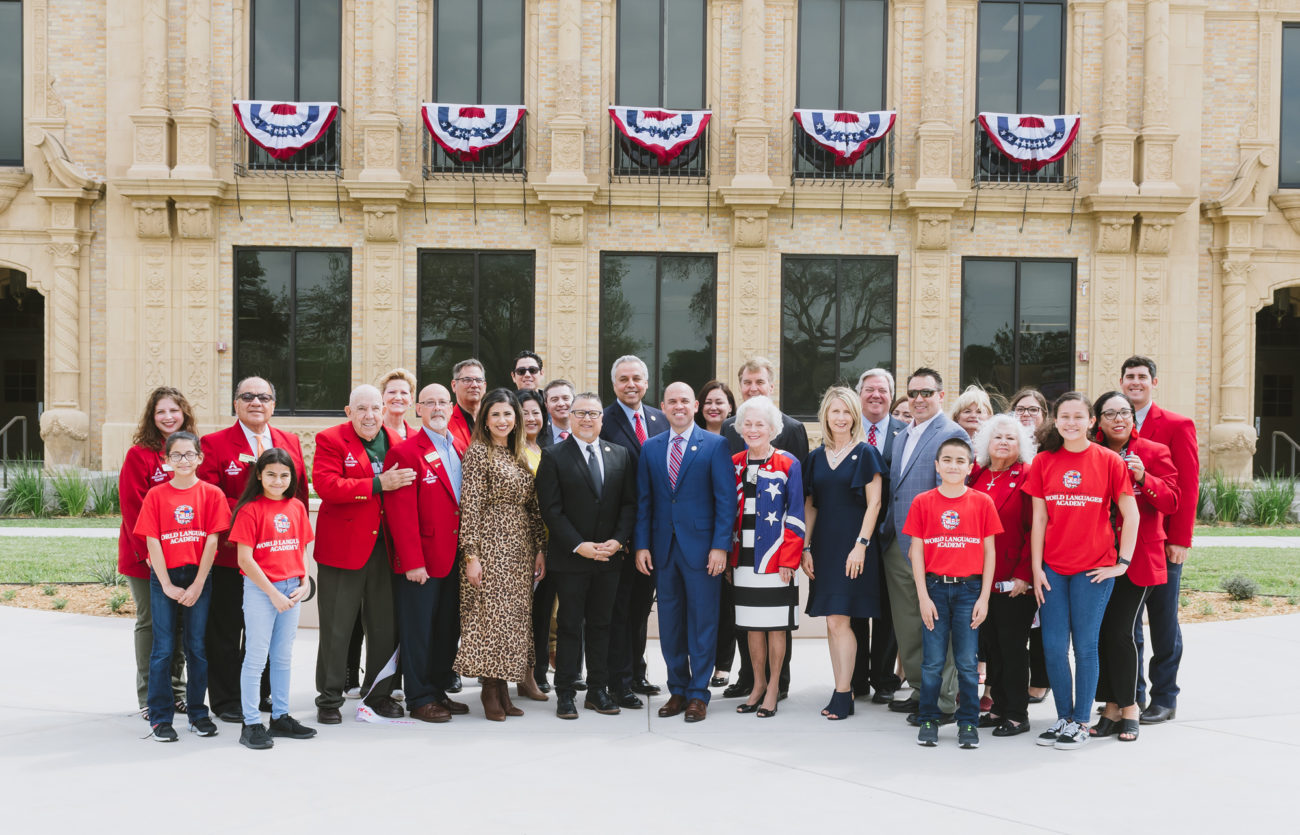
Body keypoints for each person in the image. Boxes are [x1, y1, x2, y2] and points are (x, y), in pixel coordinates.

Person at [1026, 392, 1139, 750]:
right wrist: (1036, 569)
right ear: (1055, 421)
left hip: (1094, 569)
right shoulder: (1044, 462)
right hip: (1053, 570)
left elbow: (1130, 514)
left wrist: (1122, 564)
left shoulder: (1108, 461)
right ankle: (1063, 717)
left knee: (1086, 646)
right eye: (1064, 416)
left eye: (1079, 416)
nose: (1071, 423)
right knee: (1053, 646)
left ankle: (1080, 721)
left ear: (1091, 421)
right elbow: (1039, 519)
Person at [198, 377, 308, 724]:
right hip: (234, 556)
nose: (256, 402)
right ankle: (228, 700)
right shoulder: (215, 444)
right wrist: (255, 510)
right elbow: (209, 497)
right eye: (248, 396)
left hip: (279, 559)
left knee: (268, 637)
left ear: (274, 404)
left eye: (264, 397)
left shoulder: (289, 441)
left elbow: (298, 494)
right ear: (236, 404)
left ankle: (260, 696)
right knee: (228, 630)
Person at [312, 385, 413, 724]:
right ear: (348, 411)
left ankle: (379, 693)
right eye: (362, 409)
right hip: (344, 549)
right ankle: (328, 698)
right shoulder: (330, 439)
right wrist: (376, 484)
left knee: (385, 627)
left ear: (384, 410)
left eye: (375, 408)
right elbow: (326, 485)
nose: (369, 416)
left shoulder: (399, 443)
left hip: (386, 549)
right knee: (337, 627)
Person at [635, 382, 735, 722]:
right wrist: (642, 545)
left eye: (684, 401)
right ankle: (677, 689)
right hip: (663, 550)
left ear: (694, 406)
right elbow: (645, 501)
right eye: (672, 401)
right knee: (671, 623)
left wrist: (721, 546)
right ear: (663, 406)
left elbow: (726, 501)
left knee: (703, 622)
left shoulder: (715, 445)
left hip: (703, 550)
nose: (678, 406)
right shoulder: (650, 447)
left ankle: (698, 693)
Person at [536, 392, 639, 720]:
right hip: (571, 559)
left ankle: (597, 689)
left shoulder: (620, 454)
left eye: (593, 414)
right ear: (571, 416)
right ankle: (565, 693)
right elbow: (550, 509)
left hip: (609, 557)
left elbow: (628, 504)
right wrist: (578, 545)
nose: (586, 419)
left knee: (601, 624)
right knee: (568, 626)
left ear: (601, 419)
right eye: (580, 413)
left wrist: (618, 540)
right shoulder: (553, 456)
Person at [882, 367, 969, 723]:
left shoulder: (952, 433)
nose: (919, 400)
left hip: (931, 547)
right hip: (897, 544)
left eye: (926, 393)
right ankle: (920, 691)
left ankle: (944, 702)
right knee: (908, 624)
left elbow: (951, 495)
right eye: (913, 393)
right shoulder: (902, 435)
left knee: (938, 626)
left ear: (941, 395)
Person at [455, 388, 547, 721]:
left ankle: (505, 690)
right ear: (485, 419)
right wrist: (472, 555)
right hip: (490, 544)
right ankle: (489, 690)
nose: (502, 420)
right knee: (490, 619)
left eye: (508, 414)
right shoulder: (479, 452)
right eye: (495, 414)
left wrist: (540, 548)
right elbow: (471, 506)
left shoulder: (520, 452)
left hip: (520, 549)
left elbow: (534, 507)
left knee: (513, 621)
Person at [1091, 391, 1178, 742]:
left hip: (1137, 560)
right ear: (1097, 419)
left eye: (1124, 412)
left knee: (1120, 631)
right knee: (1099, 633)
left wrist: (1144, 478)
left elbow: (1172, 501)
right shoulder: (1090, 453)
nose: (1118, 419)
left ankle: (1128, 707)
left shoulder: (1154, 452)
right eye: (1109, 413)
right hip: (1095, 558)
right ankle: (1111, 706)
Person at [133, 431, 230, 742]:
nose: (184, 460)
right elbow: (153, 541)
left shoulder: (212, 494)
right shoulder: (157, 495)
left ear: (200, 458)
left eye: (190, 454)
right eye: (177, 455)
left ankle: (197, 713)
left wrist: (198, 583)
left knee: (196, 648)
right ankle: (160, 718)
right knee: (162, 649)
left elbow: (212, 540)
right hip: (165, 576)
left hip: (198, 575)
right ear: (166, 461)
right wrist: (166, 585)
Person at [721, 356, 808, 702]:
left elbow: (797, 513)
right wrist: (728, 559)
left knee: (776, 626)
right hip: (742, 562)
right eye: (748, 424)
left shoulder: (789, 463)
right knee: (751, 625)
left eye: (761, 424)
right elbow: (727, 514)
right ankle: (757, 684)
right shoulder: (733, 464)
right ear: (740, 428)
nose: (754, 429)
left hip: (776, 561)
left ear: (773, 428)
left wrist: (790, 558)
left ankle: (775, 686)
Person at [905, 437, 1000, 749]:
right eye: (947, 459)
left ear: (970, 466)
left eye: (961, 460)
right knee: (932, 662)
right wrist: (922, 597)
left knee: (967, 662)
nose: (953, 466)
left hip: (969, 590)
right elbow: (916, 552)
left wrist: (984, 597)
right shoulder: (923, 502)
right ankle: (929, 717)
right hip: (934, 588)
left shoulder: (982, 502)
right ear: (937, 465)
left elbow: (990, 553)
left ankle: (968, 722)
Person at [384, 383, 468, 724]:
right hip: (423, 561)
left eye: (442, 403)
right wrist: (412, 561)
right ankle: (419, 697)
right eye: (429, 403)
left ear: (452, 408)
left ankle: (437, 689)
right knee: (418, 630)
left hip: (455, 557)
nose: (437, 408)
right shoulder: (405, 452)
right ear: (418, 409)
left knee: (446, 629)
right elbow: (400, 515)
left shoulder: (460, 446)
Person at [1121, 356, 1198, 725]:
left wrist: (1181, 538)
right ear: (1121, 382)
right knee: (1126, 624)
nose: (1136, 382)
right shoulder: (1108, 426)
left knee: (1163, 621)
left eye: (1142, 377)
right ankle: (1130, 696)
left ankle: (1165, 697)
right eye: (1129, 377)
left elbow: (1187, 485)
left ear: (1154, 381)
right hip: (1118, 545)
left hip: (1162, 540)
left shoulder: (1177, 425)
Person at [802, 387, 884, 720]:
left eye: (846, 412)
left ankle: (842, 692)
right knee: (832, 621)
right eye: (834, 411)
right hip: (824, 546)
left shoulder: (866, 453)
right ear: (825, 415)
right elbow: (810, 506)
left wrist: (861, 545)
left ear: (855, 416)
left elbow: (875, 503)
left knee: (840, 619)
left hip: (854, 548)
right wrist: (805, 547)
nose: (840, 418)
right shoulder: (815, 457)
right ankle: (843, 686)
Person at [229, 448, 317, 750]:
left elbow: (300, 548)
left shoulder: (296, 507)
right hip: (262, 590)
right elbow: (244, 559)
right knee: (255, 658)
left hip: (291, 589)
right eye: (271, 474)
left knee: (282, 657)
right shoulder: (250, 510)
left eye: (284, 475)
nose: (278, 480)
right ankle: (251, 722)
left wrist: (304, 580)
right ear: (259, 475)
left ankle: (280, 717)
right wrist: (272, 593)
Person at [341, 367, 418, 700]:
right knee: (356, 613)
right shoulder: (366, 433)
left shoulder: (415, 438)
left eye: (404, 393)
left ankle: (391, 678)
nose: (398, 398)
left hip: (395, 536)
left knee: (392, 613)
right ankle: (347, 674)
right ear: (380, 400)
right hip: (361, 533)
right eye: (391, 393)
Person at [119, 386, 195, 719]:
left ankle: (175, 691)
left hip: (183, 555)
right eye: (160, 412)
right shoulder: (140, 455)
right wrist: (151, 555)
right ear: (152, 417)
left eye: (173, 411)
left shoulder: (190, 452)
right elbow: (131, 508)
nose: (167, 417)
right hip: (144, 557)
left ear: (184, 414)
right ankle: (150, 697)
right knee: (152, 624)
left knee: (178, 624)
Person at [601, 355, 668, 706]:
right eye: (624, 379)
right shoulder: (605, 420)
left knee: (642, 606)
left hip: (654, 533)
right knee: (620, 608)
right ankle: (619, 680)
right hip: (620, 533)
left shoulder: (659, 418)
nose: (631, 384)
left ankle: (637, 671)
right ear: (614, 385)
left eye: (637, 379)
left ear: (646, 382)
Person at [969, 414, 1036, 737]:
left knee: (1012, 647)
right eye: (998, 437)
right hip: (980, 578)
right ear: (986, 442)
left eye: (1011, 438)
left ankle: (1016, 714)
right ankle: (997, 707)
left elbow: (1034, 530)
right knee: (991, 646)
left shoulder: (1026, 475)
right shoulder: (977, 475)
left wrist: (1025, 574)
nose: (1004, 442)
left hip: (1013, 579)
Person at [853, 368, 906, 704]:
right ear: (859, 394)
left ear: (891, 394)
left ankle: (884, 679)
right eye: (869, 389)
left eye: (882, 390)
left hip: (893, 534)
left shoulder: (906, 432)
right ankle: (856, 678)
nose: (876, 395)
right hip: (852, 534)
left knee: (889, 610)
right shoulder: (845, 428)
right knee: (856, 606)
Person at [1010, 386, 1051, 705]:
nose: (1026, 414)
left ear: (1044, 415)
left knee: (1044, 616)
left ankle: (1040, 678)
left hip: (1051, 540)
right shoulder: (1008, 445)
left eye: (1033, 409)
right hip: (1016, 538)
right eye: (1020, 409)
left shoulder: (1050, 449)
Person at [695, 380, 737, 688]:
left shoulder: (739, 440)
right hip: (695, 536)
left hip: (732, 533)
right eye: (708, 401)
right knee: (701, 605)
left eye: (720, 402)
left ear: (731, 407)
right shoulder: (689, 438)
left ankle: (723, 665)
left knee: (728, 604)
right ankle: (699, 663)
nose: (714, 407)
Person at [516, 388, 554, 701]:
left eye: (535, 412)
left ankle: (536, 674)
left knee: (541, 615)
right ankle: (520, 676)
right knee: (521, 616)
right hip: (521, 546)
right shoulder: (513, 452)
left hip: (547, 544)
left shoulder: (543, 449)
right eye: (524, 412)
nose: (531, 418)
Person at [447, 358, 486, 452]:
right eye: (467, 380)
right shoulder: (445, 422)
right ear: (453, 385)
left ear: (484, 386)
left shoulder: (492, 418)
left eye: (478, 380)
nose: (474, 385)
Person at [541, 379, 576, 447]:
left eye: (565, 398)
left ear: (574, 402)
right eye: (554, 400)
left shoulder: (587, 435)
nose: (561, 403)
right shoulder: (537, 439)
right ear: (546, 405)